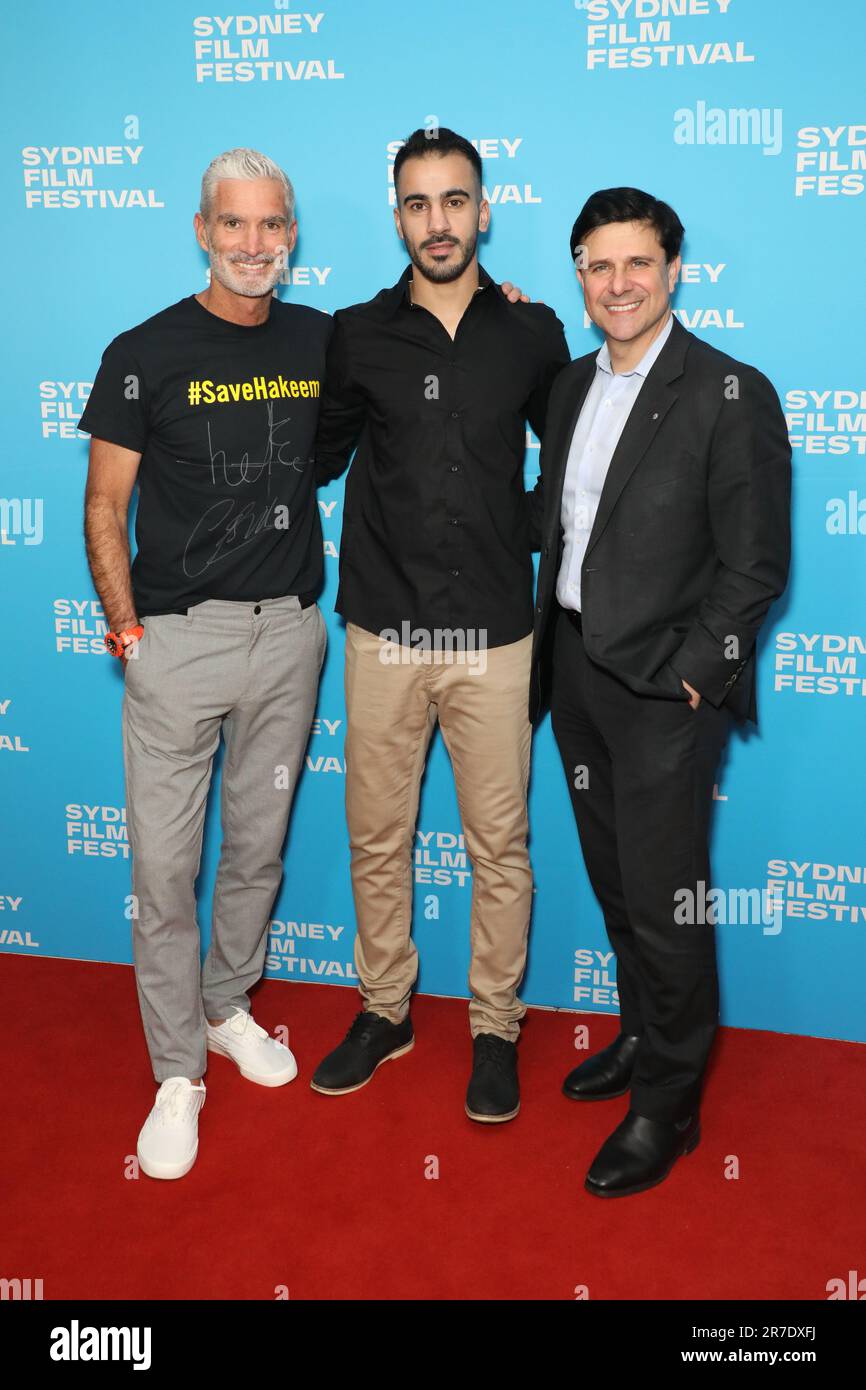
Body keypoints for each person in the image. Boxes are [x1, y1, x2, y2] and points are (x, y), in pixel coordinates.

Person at [530, 187, 791, 1194]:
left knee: (666, 898)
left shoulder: (730, 390)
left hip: (659, 694)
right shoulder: (566, 386)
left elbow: (753, 566)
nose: (618, 282)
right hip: (576, 672)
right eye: (597, 265)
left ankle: (669, 1106)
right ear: (580, 276)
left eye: (636, 262)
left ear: (673, 269)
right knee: (617, 885)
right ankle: (643, 1037)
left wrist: (695, 677)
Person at [310, 127, 570, 1122]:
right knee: (378, 834)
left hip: (496, 635)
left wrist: (526, 527)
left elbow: (575, 454)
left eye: (453, 201)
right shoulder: (354, 333)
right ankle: (385, 1010)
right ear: (397, 217)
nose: (437, 222)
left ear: (483, 210)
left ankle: (494, 1025)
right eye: (417, 204)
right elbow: (319, 458)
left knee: (496, 843)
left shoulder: (531, 331)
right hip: (383, 629)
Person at [79, 148, 330, 1180]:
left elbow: (422, 354)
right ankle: (176, 1069)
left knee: (257, 847)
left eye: (272, 225)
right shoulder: (143, 350)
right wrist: (131, 632)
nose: (254, 244)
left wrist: (499, 301)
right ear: (200, 229)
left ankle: (228, 1006)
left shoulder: (325, 340)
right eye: (234, 225)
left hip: (290, 635)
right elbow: (104, 504)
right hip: (178, 643)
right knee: (162, 867)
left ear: (291, 234)